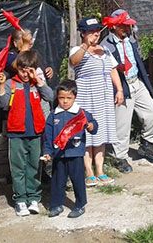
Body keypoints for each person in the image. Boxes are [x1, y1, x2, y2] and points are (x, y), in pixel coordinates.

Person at [101, 9, 153, 174]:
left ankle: (147, 145)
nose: (127, 29)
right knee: (122, 124)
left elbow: (137, 59)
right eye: (123, 26)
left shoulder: (131, 40)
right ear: (114, 27)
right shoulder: (105, 45)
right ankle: (119, 156)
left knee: (151, 112)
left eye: (128, 26)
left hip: (137, 82)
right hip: (122, 86)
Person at [0, 50, 54, 216]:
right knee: (18, 167)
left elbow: (50, 96)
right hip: (16, 133)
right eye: (22, 70)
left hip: (36, 132)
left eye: (29, 70)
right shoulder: (11, 83)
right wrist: (1, 85)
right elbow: (2, 103)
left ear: (35, 69)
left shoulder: (37, 83)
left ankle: (34, 197)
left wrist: (39, 81)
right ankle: (20, 200)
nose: (25, 74)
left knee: (35, 166)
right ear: (17, 69)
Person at [69, 17, 124, 187]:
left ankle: (100, 170)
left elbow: (112, 70)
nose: (95, 35)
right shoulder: (77, 49)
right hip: (86, 96)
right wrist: (86, 46)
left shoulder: (105, 50)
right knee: (87, 132)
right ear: (83, 33)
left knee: (102, 132)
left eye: (97, 31)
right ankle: (89, 172)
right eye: (91, 32)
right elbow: (74, 62)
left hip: (104, 96)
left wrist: (119, 90)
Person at [43, 80, 98, 218]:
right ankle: (56, 205)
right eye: (62, 98)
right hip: (58, 155)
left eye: (69, 98)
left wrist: (91, 126)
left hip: (76, 154)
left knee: (78, 180)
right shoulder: (53, 115)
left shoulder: (80, 113)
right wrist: (48, 152)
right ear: (57, 97)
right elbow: (48, 136)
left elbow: (94, 125)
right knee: (57, 181)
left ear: (75, 97)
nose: (65, 101)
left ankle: (80, 205)